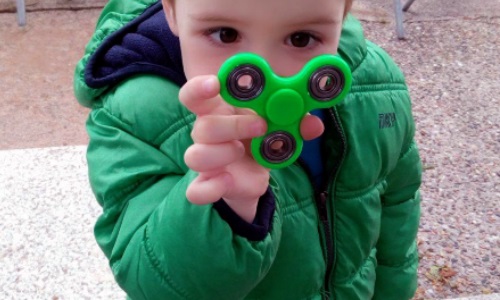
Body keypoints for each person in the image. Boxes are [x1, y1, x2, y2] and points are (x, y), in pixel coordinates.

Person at [74, 0, 422, 298]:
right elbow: (154, 282)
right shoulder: (135, 115)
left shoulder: (375, 84)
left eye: (301, 38)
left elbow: (398, 206)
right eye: (225, 34)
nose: (265, 74)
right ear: (173, 11)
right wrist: (229, 202)